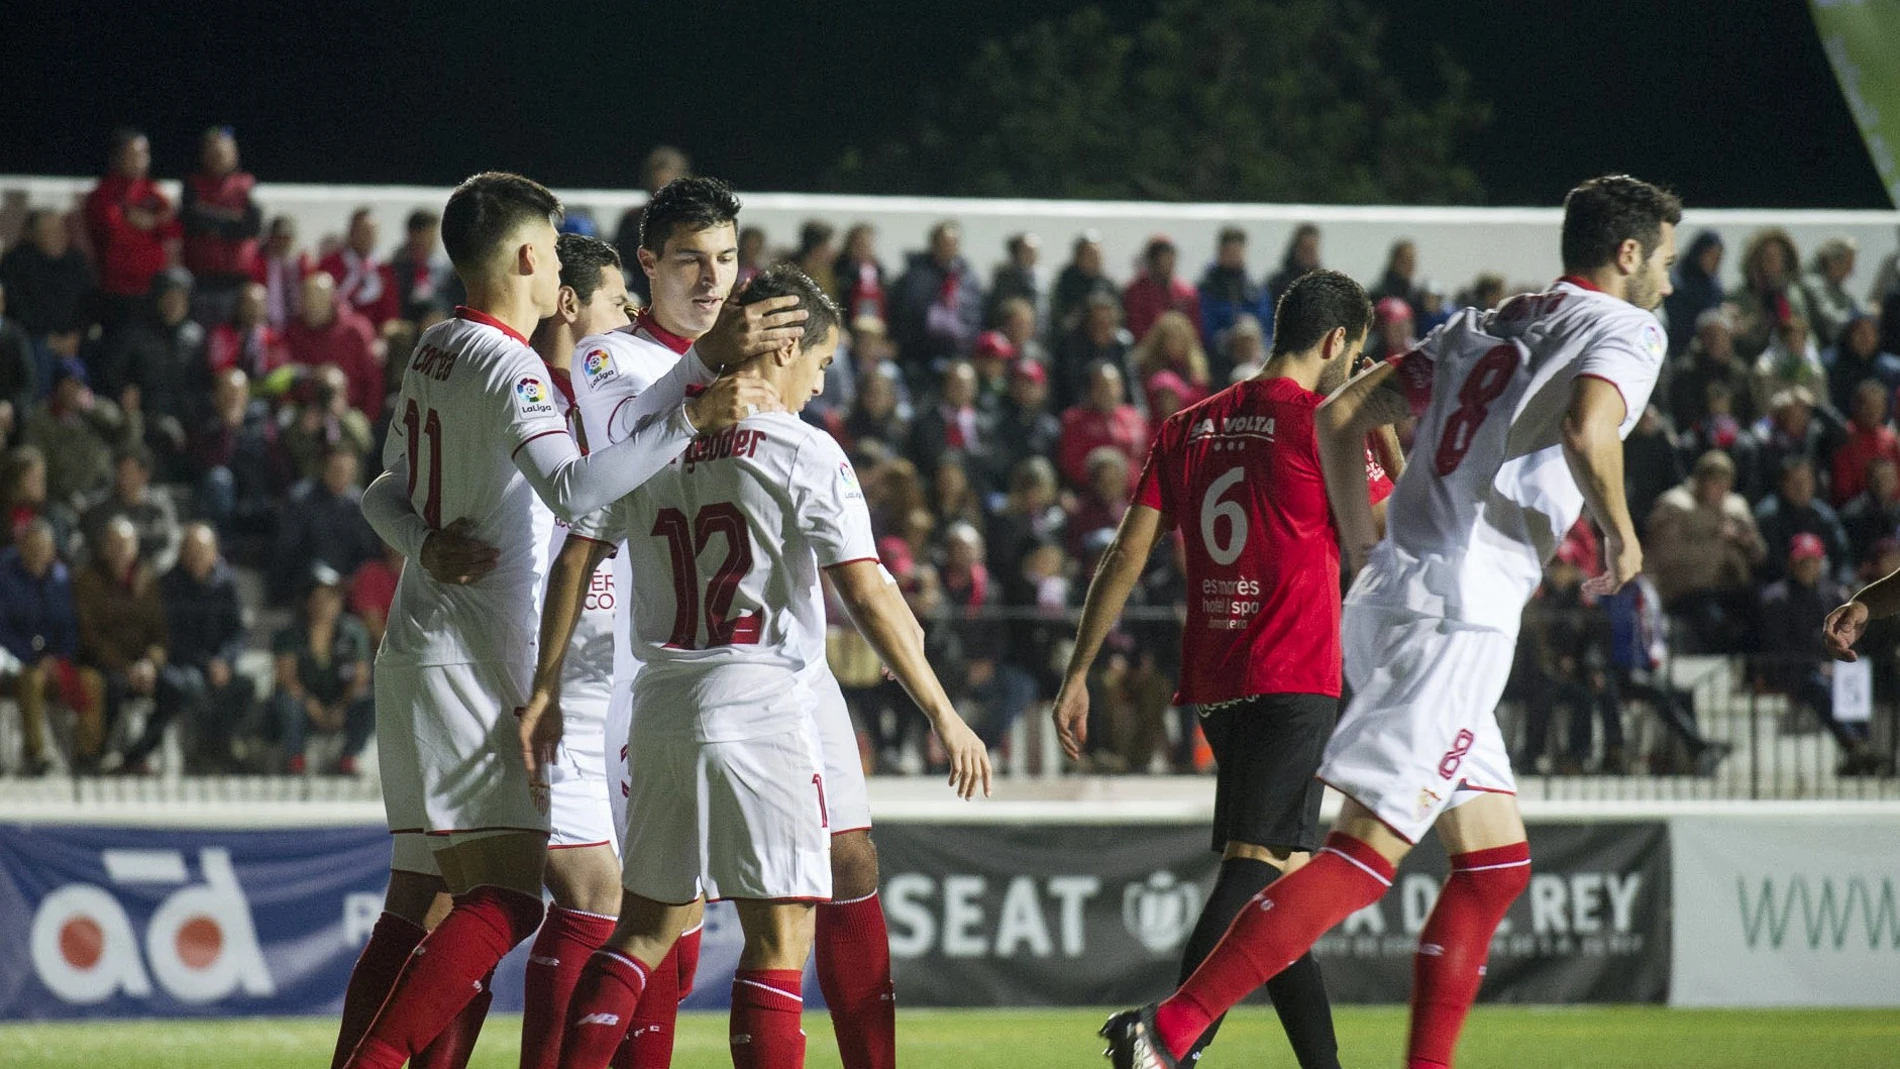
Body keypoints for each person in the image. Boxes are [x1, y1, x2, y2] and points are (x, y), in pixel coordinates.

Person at [1101, 174, 1681, 1069]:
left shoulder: (1481, 323)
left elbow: (1341, 415)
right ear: (1631, 252)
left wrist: (1374, 551)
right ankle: (1169, 1029)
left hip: (1390, 604)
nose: (1671, 284)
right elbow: (1590, 432)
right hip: (1462, 615)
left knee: (1494, 865)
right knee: (1359, 857)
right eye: (1667, 262)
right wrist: (1623, 535)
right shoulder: (1626, 328)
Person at [336, 170, 790, 1069]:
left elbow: (382, 486)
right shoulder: (514, 366)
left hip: (419, 644)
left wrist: (422, 545)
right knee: (512, 898)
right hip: (476, 657)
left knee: (420, 902)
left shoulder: (436, 345)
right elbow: (577, 489)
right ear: (532, 256)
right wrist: (693, 412)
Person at [537, 266, 990, 1069]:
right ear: (785, 345)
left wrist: (545, 681)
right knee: (779, 939)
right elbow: (865, 591)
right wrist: (943, 711)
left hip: (662, 706)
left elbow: (577, 552)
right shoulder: (804, 450)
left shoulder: (655, 444)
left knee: (643, 928)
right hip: (761, 708)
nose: (818, 387)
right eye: (818, 366)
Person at [1059, 269, 1387, 1069]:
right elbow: (1385, 539)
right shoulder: (1328, 425)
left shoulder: (1190, 425)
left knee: (1283, 897)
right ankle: (1166, 1035)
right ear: (1337, 342)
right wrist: (1391, 439)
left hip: (1218, 679)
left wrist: (1079, 671)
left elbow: (1127, 550)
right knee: (1255, 869)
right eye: (1356, 356)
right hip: (1296, 671)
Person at [1765, 536, 1885, 775]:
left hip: (1831, 666)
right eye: (1803, 562)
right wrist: (1819, 665)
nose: (1808, 567)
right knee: (1818, 685)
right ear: (1792, 563)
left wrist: (1844, 662)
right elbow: (1778, 645)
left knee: (1855, 677)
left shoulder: (1833, 594)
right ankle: (1855, 747)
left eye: (1813, 561)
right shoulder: (1777, 598)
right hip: (1794, 670)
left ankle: (1862, 746)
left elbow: (1849, 634)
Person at [144, 523, 254, 773]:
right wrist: (207, 664)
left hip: (219, 664)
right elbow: (169, 636)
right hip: (182, 662)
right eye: (190, 551)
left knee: (245, 686)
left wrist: (225, 661)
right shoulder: (168, 584)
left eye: (202, 552)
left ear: (214, 553)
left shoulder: (226, 584)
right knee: (189, 686)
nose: (196, 558)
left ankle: (217, 746)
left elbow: (238, 631)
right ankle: (196, 753)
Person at [0, 518, 96, 777]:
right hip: (19, 662)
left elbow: (70, 627)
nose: (38, 553)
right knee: (32, 681)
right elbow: (3, 629)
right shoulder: (6, 579)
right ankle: (36, 754)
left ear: (52, 549)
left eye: (44, 547)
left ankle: (87, 754)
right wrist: (32, 657)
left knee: (91, 681)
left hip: (57, 661)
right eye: (32, 546)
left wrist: (60, 657)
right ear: (21, 548)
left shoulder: (61, 580)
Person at [75, 515, 169, 774]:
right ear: (104, 548)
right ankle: (99, 753)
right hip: (104, 661)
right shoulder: (87, 581)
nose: (120, 552)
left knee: (175, 687)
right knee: (113, 686)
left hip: (142, 665)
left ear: (135, 547)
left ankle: (136, 754)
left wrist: (149, 664)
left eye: (126, 545)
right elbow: (91, 637)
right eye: (114, 545)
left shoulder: (148, 581)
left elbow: (160, 632)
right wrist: (128, 667)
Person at [270, 564, 374, 775]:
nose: (326, 605)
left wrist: (341, 707)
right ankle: (296, 759)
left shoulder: (353, 632)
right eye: (320, 599)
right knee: (287, 701)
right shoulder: (289, 635)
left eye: (332, 598)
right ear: (307, 601)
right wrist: (312, 706)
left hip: (341, 702)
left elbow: (360, 676)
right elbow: (287, 678)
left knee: (372, 700)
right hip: (305, 703)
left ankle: (348, 758)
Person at [83, 128, 180, 329]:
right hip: (117, 292)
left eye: (143, 154)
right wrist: (144, 224)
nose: (138, 160)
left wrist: (150, 222)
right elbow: (113, 233)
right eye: (131, 155)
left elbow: (172, 230)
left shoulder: (153, 192)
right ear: (116, 158)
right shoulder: (103, 194)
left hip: (152, 291)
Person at [180, 126, 263, 325]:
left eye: (223, 153)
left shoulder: (246, 184)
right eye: (213, 153)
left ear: (234, 155)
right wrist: (231, 220)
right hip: (201, 281)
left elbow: (250, 227)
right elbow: (192, 221)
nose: (219, 158)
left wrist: (211, 217)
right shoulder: (192, 184)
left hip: (237, 282)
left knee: (236, 340)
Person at [889, 221, 984, 375]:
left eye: (953, 242)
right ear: (933, 243)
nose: (948, 247)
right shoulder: (915, 276)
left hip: (959, 352)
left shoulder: (967, 277)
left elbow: (975, 314)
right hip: (920, 354)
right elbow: (903, 312)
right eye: (943, 242)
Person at [286, 272, 384, 421]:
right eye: (307, 299)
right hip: (308, 415)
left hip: (351, 414)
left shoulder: (357, 330)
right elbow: (289, 380)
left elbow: (373, 381)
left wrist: (367, 420)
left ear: (332, 299)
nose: (312, 305)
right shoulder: (293, 333)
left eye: (318, 298)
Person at [1198, 227, 1273, 357]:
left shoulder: (1254, 289)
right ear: (1220, 252)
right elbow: (1206, 328)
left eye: (1237, 252)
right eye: (1229, 252)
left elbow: (1266, 324)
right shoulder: (1207, 290)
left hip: (1255, 353)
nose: (1234, 257)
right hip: (1219, 355)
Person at [321, 209, 401, 329]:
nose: (368, 238)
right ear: (351, 232)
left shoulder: (383, 270)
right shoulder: (329, 264)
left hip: (373, 336)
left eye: (372, 233)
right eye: (363, 232)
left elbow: (390, 312)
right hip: (336, 332)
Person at [1123, 235, 1201, 344]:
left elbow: (1194, 329)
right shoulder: (1135, 291)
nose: (1169, 263)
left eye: (1171, 257)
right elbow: (1135, 328)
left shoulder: (1186, 293)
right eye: (1163, 258)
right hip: (1148, 353)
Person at [1051, 230, 1119, 337]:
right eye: (1090, 255)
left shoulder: (1107, 283)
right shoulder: (1066, 281)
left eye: (1098, 255)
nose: (1095, 259)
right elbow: (1060, 316)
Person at [1265, 223, 1321, 310]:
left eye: (1312, 250)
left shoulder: (1323, 285)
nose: (1309, 255)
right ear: (1295, 249)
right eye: (1305, 249)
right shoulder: (1277, 284)